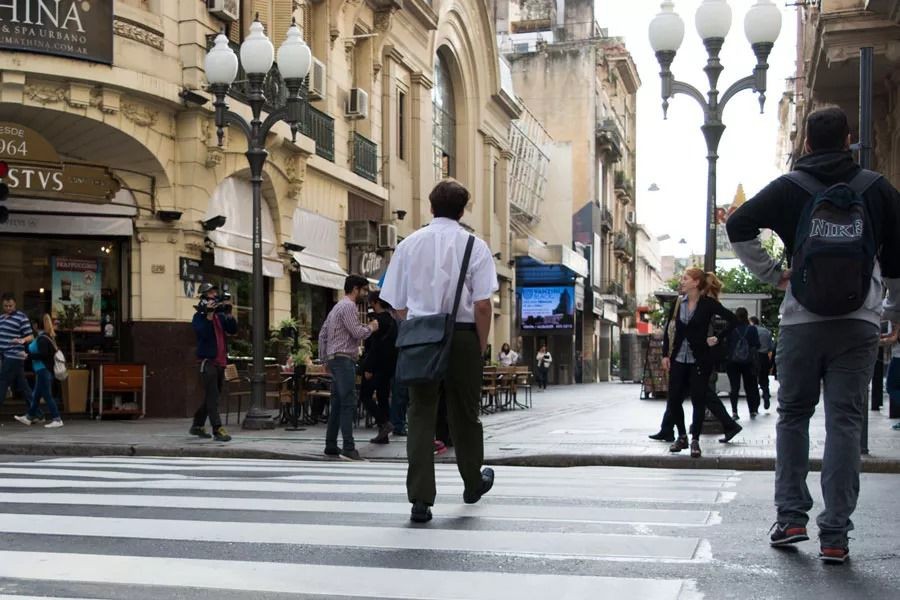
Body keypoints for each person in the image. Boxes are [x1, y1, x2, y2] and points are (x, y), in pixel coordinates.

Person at [727, 106, 900, 563]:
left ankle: (790, 519)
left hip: (802, 320)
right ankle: (836, 535)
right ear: (850, 141)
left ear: (805, 143)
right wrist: (892, 311)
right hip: (859, 321)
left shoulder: (790, 188)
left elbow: (737, 224)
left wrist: (773, 274)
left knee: (793, 416)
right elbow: (899, 259)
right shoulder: (877, 189)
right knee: (844, 422)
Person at [380, 179, 498, 524]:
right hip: (462, 335)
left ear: (431, 207)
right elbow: (483, 306)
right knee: (465, 413)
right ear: (463, 211)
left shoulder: (409, 245)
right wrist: (479, 344)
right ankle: (473, 482)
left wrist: (414, 326)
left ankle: (420, 499)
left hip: (421, 334)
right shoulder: (475, 246)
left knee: (420, 414)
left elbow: (396, 304)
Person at [659, 268, 742, 459]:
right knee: (674, 399)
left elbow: (733, 320)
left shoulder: (708, 304)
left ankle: (694, 439)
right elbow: (669, 329)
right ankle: (681, 437)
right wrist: (665, 354)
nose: (682, 281)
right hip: (678, 358)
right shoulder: (678, 302)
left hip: (699, 359)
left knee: (698, 399)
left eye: (685, 278)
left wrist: (717, 338)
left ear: (696, 283)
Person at [318, 275, 379, 460]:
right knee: (348, 403)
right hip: (344, 359)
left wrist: (325, 360)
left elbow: (322, 334)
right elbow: (356, 332)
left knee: (337, 403)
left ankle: (330, 445)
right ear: (355, 289)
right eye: (364, 290)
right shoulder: (349, 306)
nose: (365, 294)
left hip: (335, 359)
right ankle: (348, 447)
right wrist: (371, 327)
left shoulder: (336, 307)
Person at [190, 283, 237, 442]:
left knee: (212, 397)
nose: (214, 295)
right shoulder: (199, 317)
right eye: (210, 293)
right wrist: (208, 316)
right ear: (203, 297)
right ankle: (217, 429)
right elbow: (202, 334)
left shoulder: (220, 316)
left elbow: (232, 329)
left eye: (214, 292)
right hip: (207, 362)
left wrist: (229, 313)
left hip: (220, 362)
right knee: (213, 397)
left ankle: (197, 425)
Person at [359, 291, 398, 444]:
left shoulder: (377, 322)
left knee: (365, 396)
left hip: (375, 367)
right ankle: (384, 436)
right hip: (389, 366)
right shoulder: (392, 321)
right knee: (382, 397)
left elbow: (374, 346)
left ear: (375, 302)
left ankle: (384, 423)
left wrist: (368, 368)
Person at [14, 316, 63, 428]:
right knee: (36, 396)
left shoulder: (42, 338)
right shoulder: (42, 337)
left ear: (36, 326)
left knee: (47, 395)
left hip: (43, 370)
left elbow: (44, 355)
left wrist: (27, 355)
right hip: (40, 370)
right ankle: (29, 417)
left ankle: (57, 418)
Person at [725, 307, 761, 420]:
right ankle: (752, 410)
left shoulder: (731, 329)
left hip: (732, 361)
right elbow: (757, 345)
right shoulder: (752, 329)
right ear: (746, 316)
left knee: (734, 387)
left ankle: (734, 412)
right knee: (749, 387)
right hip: (748, 361)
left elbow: (726, 343)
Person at [0, 293, 34, 413]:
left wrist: (22, 340)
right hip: (5, 355)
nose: (8, 308)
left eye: (10, 306)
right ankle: (36, 413)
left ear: (15, 304)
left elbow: (31, 336)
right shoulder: (1, 318)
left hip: (14, 355)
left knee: (3, 381)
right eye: (5, 306)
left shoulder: (21, 317)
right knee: (23, 385)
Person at [751, 316, 775, 410]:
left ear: (752, 322)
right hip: (764, 357)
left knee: (753, 381)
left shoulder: (751, 330)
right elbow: (771, 347)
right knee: (764, 379)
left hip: (754, 357)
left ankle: (755, 405)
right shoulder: (767, 332)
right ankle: (766, 396)